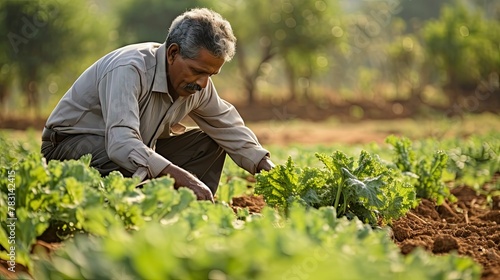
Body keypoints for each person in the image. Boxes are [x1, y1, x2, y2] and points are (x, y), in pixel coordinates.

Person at [41, 8, 275, 202]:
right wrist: (182, 178)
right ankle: (131, 206)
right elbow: (121, 144)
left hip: (129, 147)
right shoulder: (130, 69)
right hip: (70, 146)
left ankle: (182, 208)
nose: (203, 83)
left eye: (212, 75)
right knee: (128, 155)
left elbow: (227, 127)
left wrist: (268, 167)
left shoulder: (196, 85)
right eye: (198, 71)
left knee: (210, 142)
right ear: (173, 53)